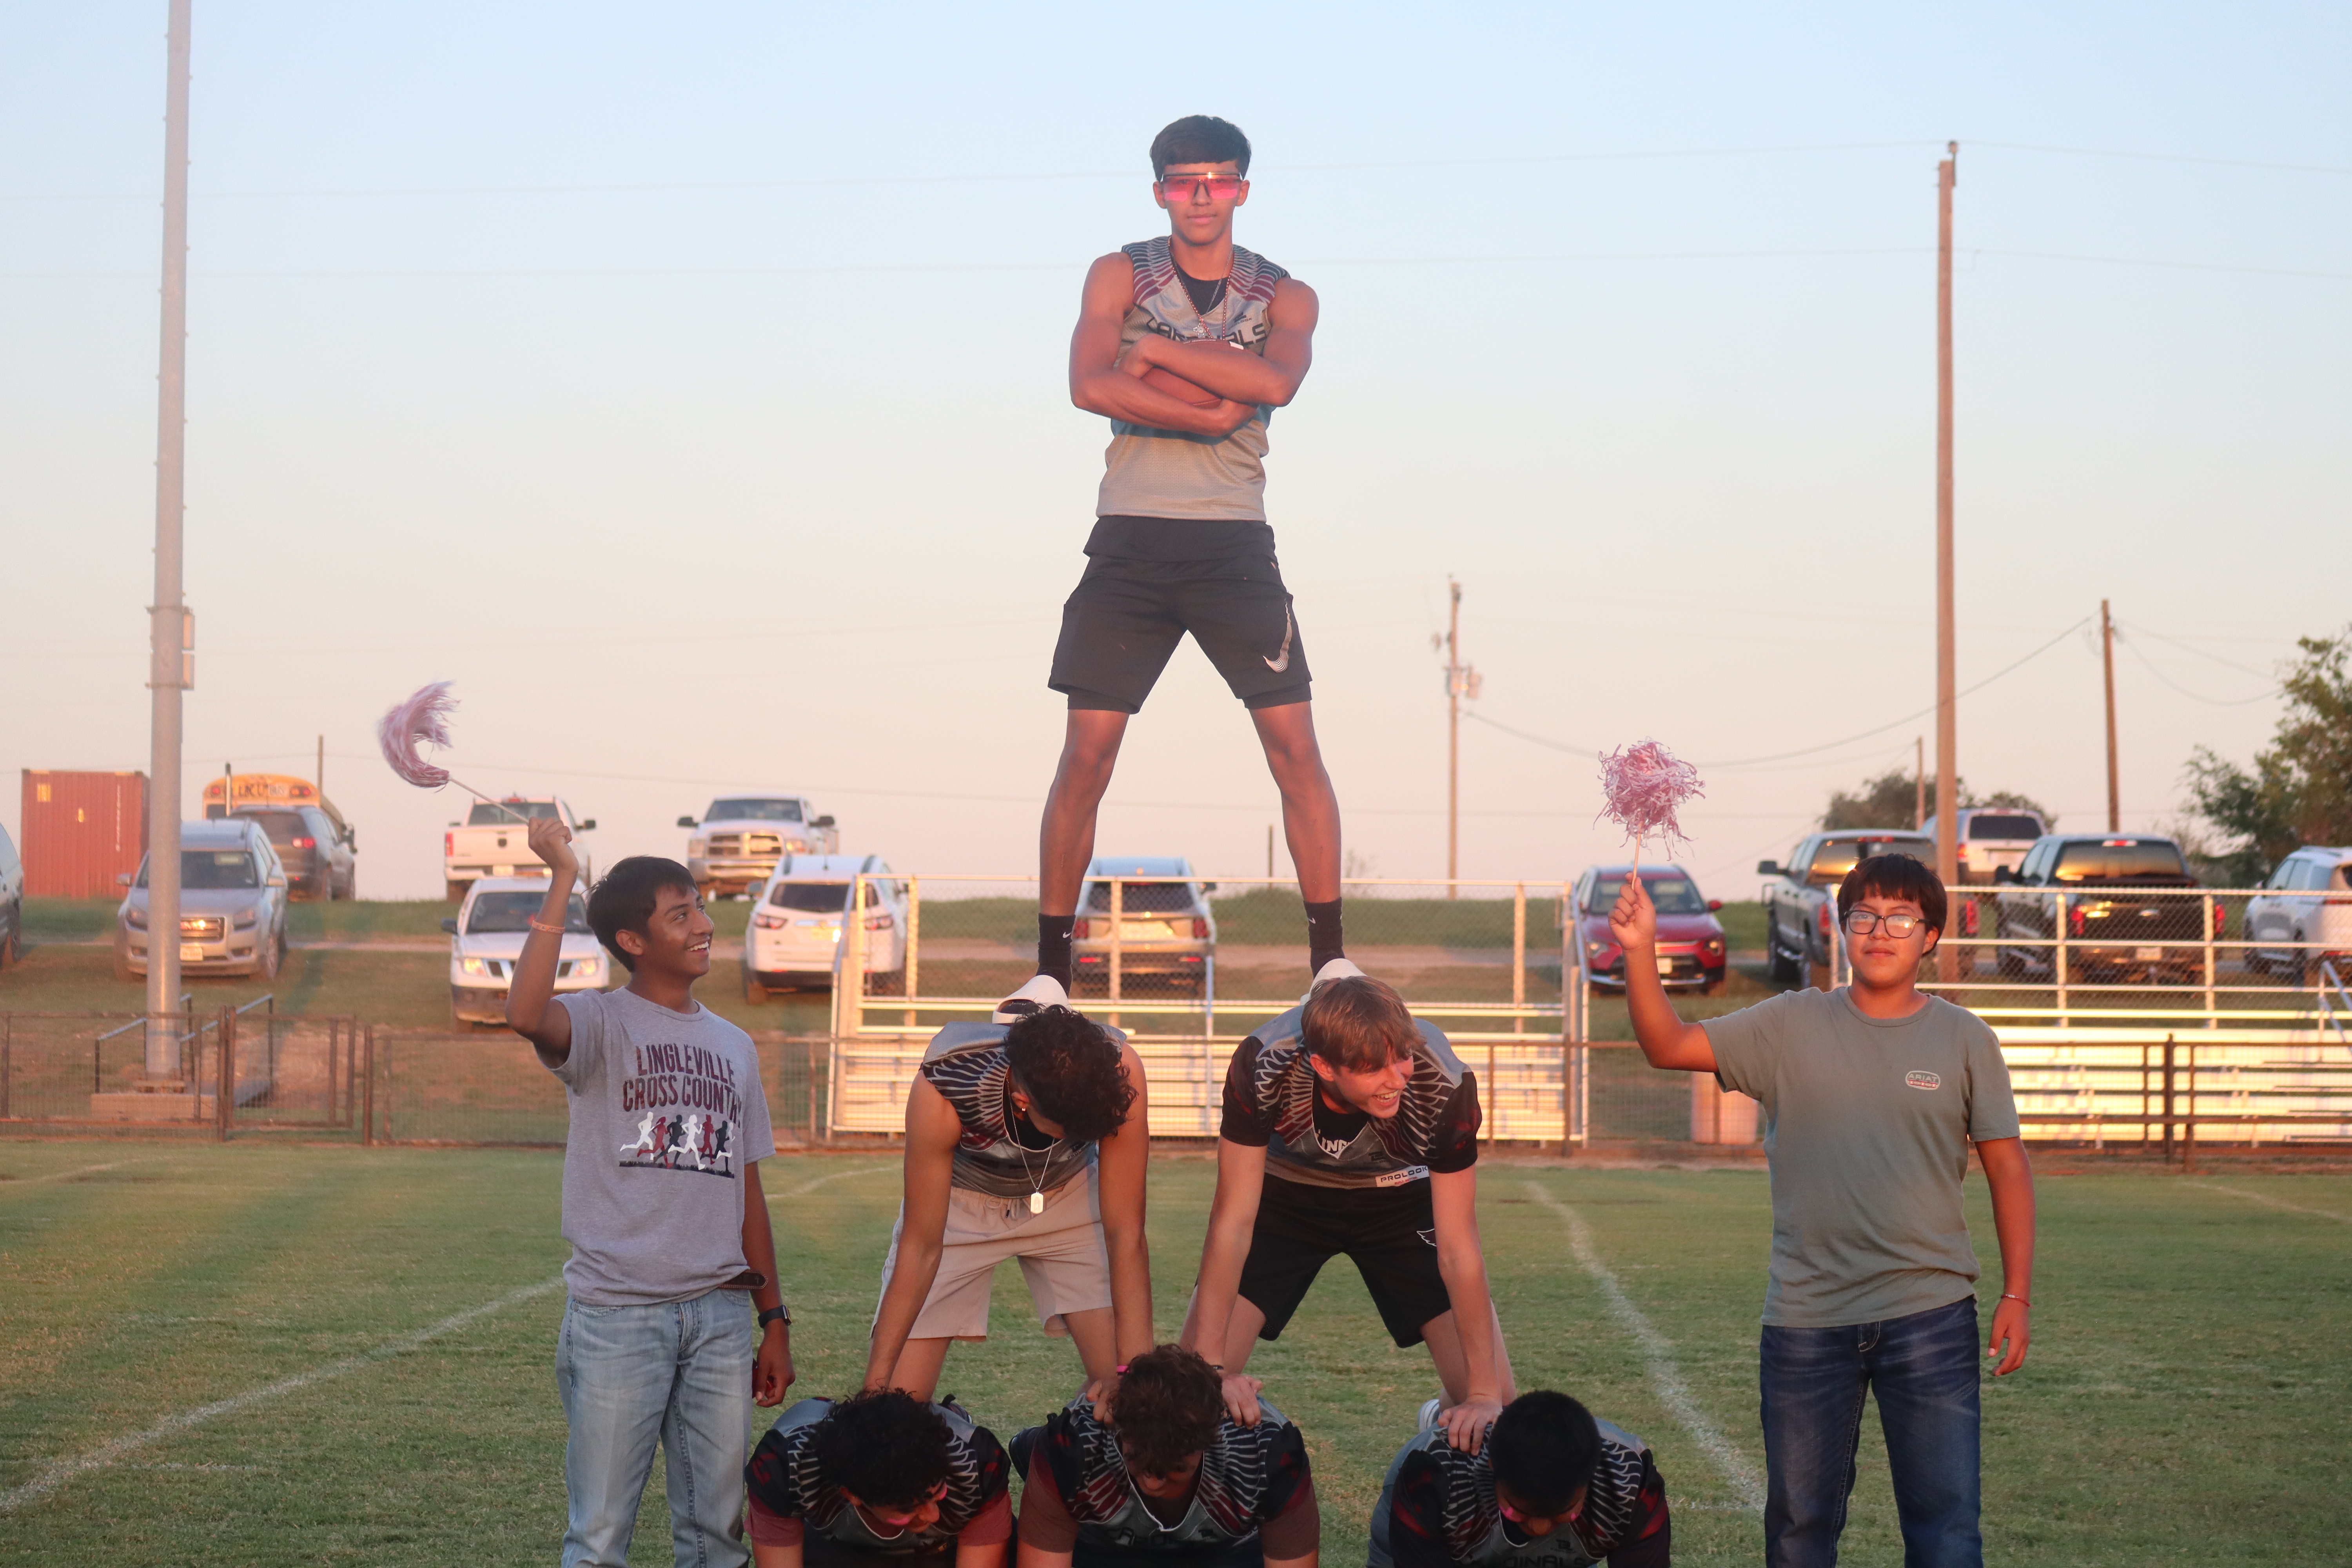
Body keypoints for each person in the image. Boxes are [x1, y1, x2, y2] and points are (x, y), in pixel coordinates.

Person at [999, 113, 1341, 1022]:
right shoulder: (1119, 271)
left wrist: (1148, 355)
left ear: (1242, 190)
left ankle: (1330, 961)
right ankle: (1050, 971)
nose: (1201, 196)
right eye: (1184, 181)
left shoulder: (1287, 294)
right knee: (1086, 755)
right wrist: (1208, 394)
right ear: (1159, 191)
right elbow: (1086, 385)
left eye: (1218, 180)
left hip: (1232, 541)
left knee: (1295, 747)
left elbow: (1272, 387)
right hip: (1130, 540)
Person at [1611, 852, 2036, 1568]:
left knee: (1947, 1532)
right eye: (1864, 915)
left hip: (1929, 1317)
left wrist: (2017, 1293)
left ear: (1930, 935)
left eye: (1901, 917)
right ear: (1842, 927)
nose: (1880, 930)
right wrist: (1639, 951)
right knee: (1800, 1532)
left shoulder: (1967, 1039)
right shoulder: (1789, 1024)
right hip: (1808, 1324)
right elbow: (1666, 1044)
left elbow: (2007, 1167)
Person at [508, 819, 793, 1568]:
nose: (704, 925)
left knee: (717, 1540)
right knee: (600, 1539)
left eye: (700, 908)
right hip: (618, 1318)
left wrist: (774, 1319)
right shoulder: (600, 1022)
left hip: (723, 1317)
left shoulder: (735, 1043)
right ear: (633, 941)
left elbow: (748, 1191)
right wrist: (563, 878)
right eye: (682, 914)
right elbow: (523, 1014)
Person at [1183, 973, 1512, 1453]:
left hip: (1399, 1198)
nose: (1398, 1076)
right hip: (1287, 1196)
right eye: (1373, 1067)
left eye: (1401, 1055)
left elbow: (1459, 1249)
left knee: (1499, 1406)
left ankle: (1441, 1410)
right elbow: (1232, 1222)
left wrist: (1482, 1395)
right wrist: (1211, 1367)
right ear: (1323, 1065)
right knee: (1192, 1392)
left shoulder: (1442, 1080)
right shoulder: (1264, 1061)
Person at [866, 1004, 1152, 1408]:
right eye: (1072, 1130)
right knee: (900, 1398)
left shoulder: (1119, 1067)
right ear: (1022, 1101)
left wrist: (1132, 1377)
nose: (1084, 1135)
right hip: (963, 1203)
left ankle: (1072, 1448)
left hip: (1068, 1192)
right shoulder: (946, 1083)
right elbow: (921, 1246)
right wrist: (873, 1397)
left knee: (1130, 1398)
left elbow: (1126, 1233)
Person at [1012, 1344, 1318, 1568]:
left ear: (1210, 1441)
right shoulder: (1074, 1445)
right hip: (1101, 1544)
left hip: (1224, 1549)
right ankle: (1029, 1447)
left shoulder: (1267, 1450)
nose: (1154, 1483)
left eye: (1173, 1469)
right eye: (1137, 1460)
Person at [1369, 1391, 1670, 1568]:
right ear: (1492, 1468)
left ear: (1591, 1480)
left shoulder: (1629, 1481)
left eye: (1563, 1513)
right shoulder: (1433, 1476)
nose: (1539, 1528)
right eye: (1518, 1510)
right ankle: (1440, 1415)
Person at [744, 1389, 1013, 1568]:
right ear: (851, 1494)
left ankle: (947, 1413)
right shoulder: (784, 1468)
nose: (931, 1515)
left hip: (943, 1547)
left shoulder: (976, 1465)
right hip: (834, 1539)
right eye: (908, 1509)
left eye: (936, 1493)